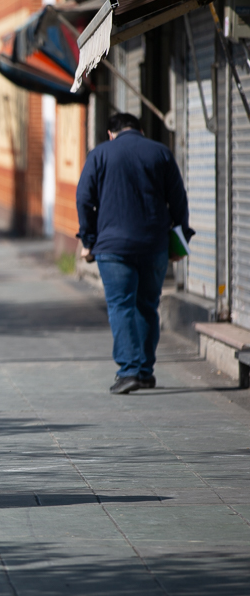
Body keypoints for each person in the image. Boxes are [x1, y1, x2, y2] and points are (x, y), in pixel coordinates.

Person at [76, 113, 193, 394]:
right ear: (140, 130)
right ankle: (144, 371)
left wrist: (88, 239)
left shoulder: (99, 154)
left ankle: (128, 370)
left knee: (121, 305)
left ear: (110, 133)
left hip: (112, 247)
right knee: (148, 305)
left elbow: (83, 198)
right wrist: (180, 241)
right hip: (154, 245)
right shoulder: (160, 153)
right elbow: (178, 200)